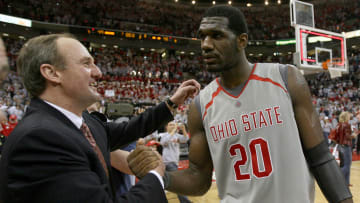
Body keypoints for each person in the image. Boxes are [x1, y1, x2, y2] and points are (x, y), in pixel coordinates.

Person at [163, 5, 353, 203]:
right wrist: (160, 175)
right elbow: (198, 179)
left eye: (216, 36)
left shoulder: (285, 79)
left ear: (242, 40)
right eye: (202, 37)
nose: (206, 45)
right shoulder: (200, 106)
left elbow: (320, 158)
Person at [0, 33, 200, 203]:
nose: (99, 72)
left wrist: (172, 103)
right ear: (52, 73)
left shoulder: (82, 123)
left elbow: (129, 128)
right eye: (86, 64)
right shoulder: (40, 139)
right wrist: (155, 176)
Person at [160, 121, 191, 203]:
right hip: (166, 163)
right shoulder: (163, 135)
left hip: (173, 163)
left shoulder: (177, 136)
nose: (172, 126)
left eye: (174, 125)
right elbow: (163, 142)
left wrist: (184, 129)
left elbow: (186, 139)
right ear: (166, 127)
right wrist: (174, 130)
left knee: (165, 184)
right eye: (170, 125)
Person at [333, 111, 355, 187]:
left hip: (340, 146)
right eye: (348, 116)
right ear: (346, 117)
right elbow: (348, 136)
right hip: (346, 146)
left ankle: (346, 182)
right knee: (347, 165)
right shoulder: (347, 125)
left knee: (344, 164)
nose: (349, 117)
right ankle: (337, 180)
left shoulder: (338, 125)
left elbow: (334, 136)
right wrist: (354, 135)